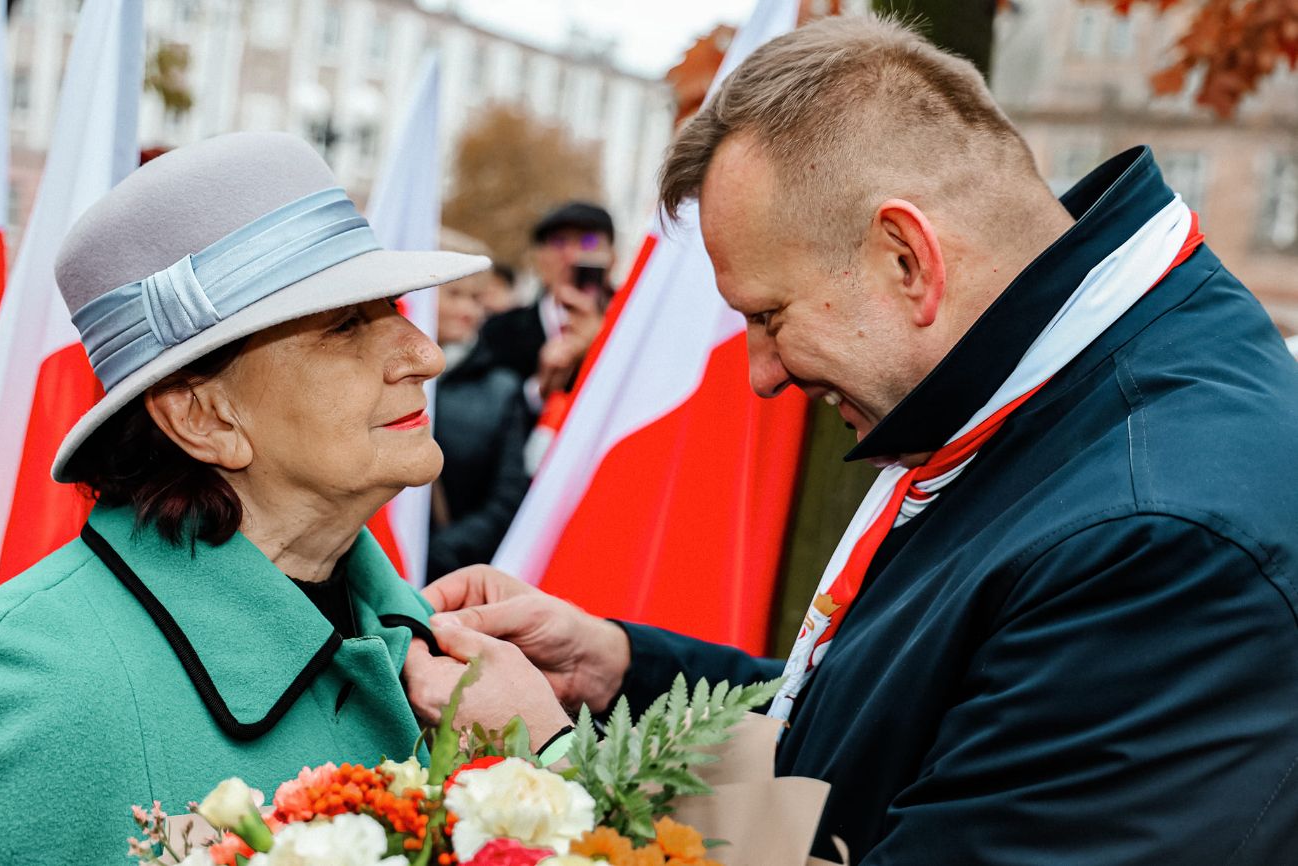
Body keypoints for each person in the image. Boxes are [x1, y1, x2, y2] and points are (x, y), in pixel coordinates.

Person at [413, 16, 1298, 864]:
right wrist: (621, 670)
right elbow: (913, 714)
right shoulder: (1059, 393)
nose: (761, 373)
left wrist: (553, 766)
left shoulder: (1157, 537)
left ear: (905, 259)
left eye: (770, 315)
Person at [0, 132, 568, 863]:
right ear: (203, 416)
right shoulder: (38, 688)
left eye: (390, 305)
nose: (424, 354)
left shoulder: (441, 650)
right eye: (343, 324)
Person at [428, 268, 530, 578]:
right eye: (455, 294)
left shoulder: (502, 389)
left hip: (447, 571)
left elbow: (507, 497)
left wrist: (445, 550)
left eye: (476, 298)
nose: (468, 310)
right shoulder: (381, 379)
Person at [477, 201, 615, 418]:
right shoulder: (500, 330)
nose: (571, 255)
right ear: (539, 258)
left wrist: (602, 344)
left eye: (589, 242)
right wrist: (540, 390)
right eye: (559, 242)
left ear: (612, 257)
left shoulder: (634, 323)